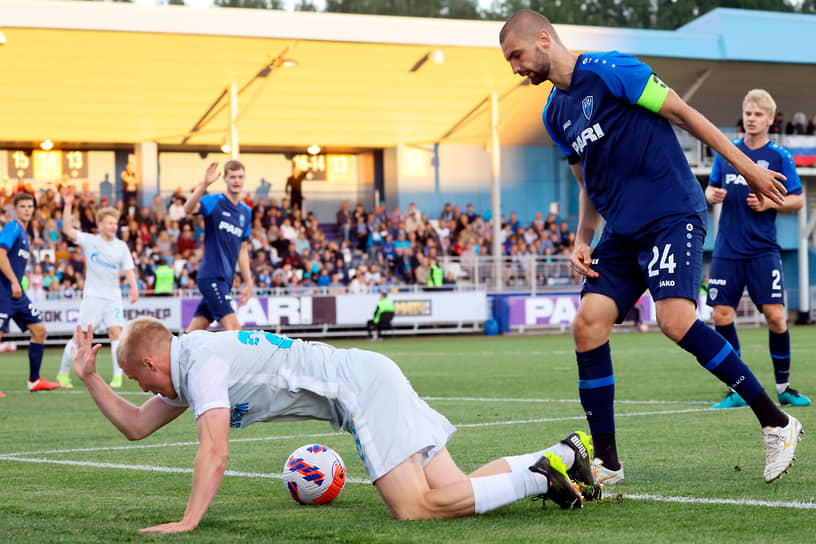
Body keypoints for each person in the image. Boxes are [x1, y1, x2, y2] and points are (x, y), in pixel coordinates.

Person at [499, 10, 802, 486]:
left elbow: (685, 114)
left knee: (675, 320)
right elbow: (587, 179)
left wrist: (749, 169)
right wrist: (582, 238)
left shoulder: (613, 69)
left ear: (543, 39)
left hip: (671, 213)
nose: (515, 68)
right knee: (587, 324)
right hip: (620, 231)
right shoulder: (553, 113)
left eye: (515, 55)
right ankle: (607, 463)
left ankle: (777, 421)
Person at [71, 318, 601, 533]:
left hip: (360, 390)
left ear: (150, 363)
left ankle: (545, 478)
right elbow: (138, 427)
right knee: (452, 491)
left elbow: (215, 452)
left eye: (143, 383)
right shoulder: (188, 366)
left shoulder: (202, 364)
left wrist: (189, 522)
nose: (148, 393)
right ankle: (561, 455)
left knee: (413, 509)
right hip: (367, 377)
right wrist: (91, 379)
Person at [705, 90, 809, 410]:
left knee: (776, 317)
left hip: (763, 249)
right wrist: (710, 194)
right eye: (747, 113)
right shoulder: (726, 153)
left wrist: (768, 203)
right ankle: (737, 389)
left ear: (769, 120)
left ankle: (784, 387)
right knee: (721, 315)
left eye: (758, 114)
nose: (751, 118)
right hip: (727, 248)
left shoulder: (780, 157)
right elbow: (710, 188)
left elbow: (798, 199)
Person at [55, 189, 139, 389]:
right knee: (81, 336)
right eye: (110, 223)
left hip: (113, 297)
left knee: (116, 332)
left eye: (115, 223)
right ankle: (63, 373)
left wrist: (134, 287)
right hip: (92, 297)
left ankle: (117, 377)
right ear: (100, 225)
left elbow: (129, 269)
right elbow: (67, 229)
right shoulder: (90, 240)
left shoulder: (121, 247)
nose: (113, 226)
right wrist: (68, 204)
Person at [0, 192, 60, 393]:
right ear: (14, 209)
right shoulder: (13, 227)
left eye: (30, 206)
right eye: (23, 206)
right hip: (5, 290)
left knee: (39, 331)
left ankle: (34, 380)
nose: (27, 209)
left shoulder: (25, 234)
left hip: (17, 293)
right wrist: (14, 282)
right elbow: (0, 254)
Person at [183, 161, 253, 332]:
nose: (236, 180)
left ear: (244, 179)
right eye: (233, 177)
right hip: (211, 275)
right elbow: (188, 208)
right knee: (234, 327)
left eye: (240, 177)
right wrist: (205, 184)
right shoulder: (213, 201)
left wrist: (249, 282)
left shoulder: (246, 212)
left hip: (226, 280)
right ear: (226, 179)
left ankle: (174, 357)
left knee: (194, 333)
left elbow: (242, 249)